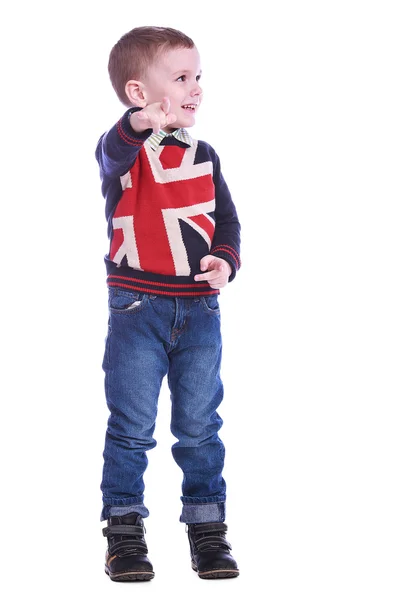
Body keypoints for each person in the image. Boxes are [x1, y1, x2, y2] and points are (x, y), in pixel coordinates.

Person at [95, 25, 241, 581]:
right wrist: (139, 126)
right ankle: (124, 529)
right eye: (181, 78)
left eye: (198, 76)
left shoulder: (205, 153)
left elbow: (225, 220)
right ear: (139, 94)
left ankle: (207, 528)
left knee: (201, 426)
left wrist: (224, 260)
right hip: (136, 309)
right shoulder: (123, 155)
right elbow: (113, 147)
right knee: (131, 427)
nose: (196, 88)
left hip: (199, 312)